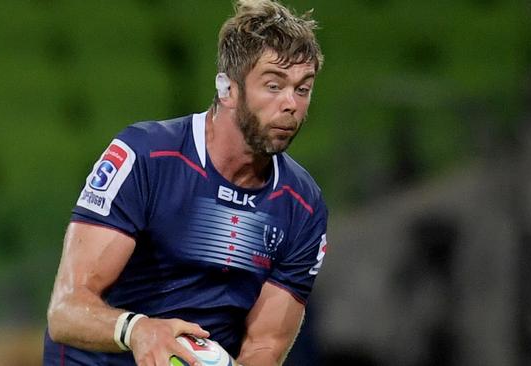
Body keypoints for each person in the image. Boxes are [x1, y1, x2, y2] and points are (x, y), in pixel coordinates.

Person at [43, 0, 328, 365]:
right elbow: (65, 312)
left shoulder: (302, 206)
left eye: (302, 89)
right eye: (273, 85)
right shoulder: (145, 158)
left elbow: (264, 347)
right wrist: (139, 330)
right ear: (228, 90)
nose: (291, 104)